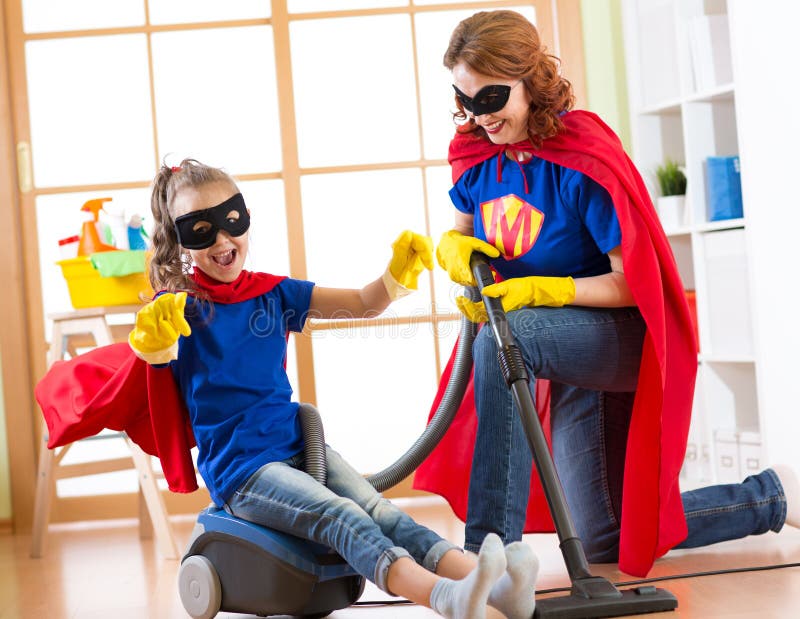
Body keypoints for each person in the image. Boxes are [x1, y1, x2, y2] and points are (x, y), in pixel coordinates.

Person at [413, 9, 799, 577]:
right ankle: (771, 496)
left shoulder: (581, 153)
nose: (478, 116)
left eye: (491, 98)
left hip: (617, 336)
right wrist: (453, 251)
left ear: (529, 79)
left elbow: (629, 284)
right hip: (547, 344)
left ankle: (488, 553)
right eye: (465, 99)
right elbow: (467, 242)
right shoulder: (473, 155)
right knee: (608, 539)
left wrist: (549, 289)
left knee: (506, 337)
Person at [125, 158, 541, 619]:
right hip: (243, 472)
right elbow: (157, 378)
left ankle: (499, 588)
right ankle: (444, 597)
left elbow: (363, 304)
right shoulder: (178, 309)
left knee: (382, 512)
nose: (224, 240)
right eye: (203, 230)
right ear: (182, 239)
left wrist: (394, 277)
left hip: (298, 445)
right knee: (342, 516)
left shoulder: (272, 292)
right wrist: (155, 350)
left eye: (232, 222)